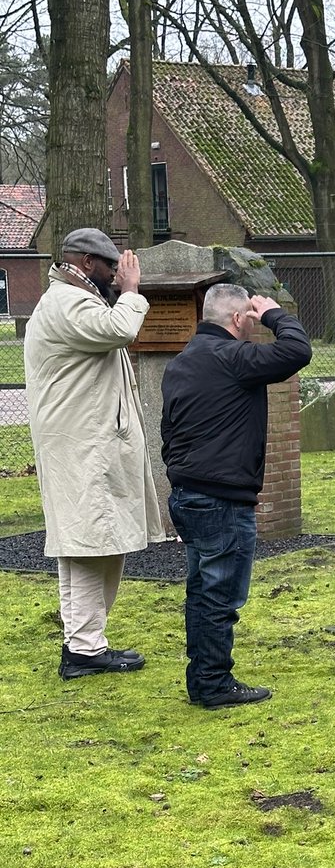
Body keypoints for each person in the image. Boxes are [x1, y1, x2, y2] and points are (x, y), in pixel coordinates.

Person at [161, 283, 312, 710]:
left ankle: (204, 677)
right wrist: (274, 314)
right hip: (221, 500)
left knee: (202, 590)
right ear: (237, 319)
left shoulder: (183, 362)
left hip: (189, 493)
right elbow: (297, 352)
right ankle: (212, 683)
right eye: (249, 316)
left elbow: (168, 432)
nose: (253, 323)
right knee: (220, 594)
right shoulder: (232, 358)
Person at [24, 227, 165, 680]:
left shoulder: (72, 297)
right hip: (82, 444)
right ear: (87, 263)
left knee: (90, 541)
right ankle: (85, 650)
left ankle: (82, 644)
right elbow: (119, 329)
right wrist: (132, 292)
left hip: (86, 440)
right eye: (110, 267)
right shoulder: (70, 302)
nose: (115, 274)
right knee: (91, 541)